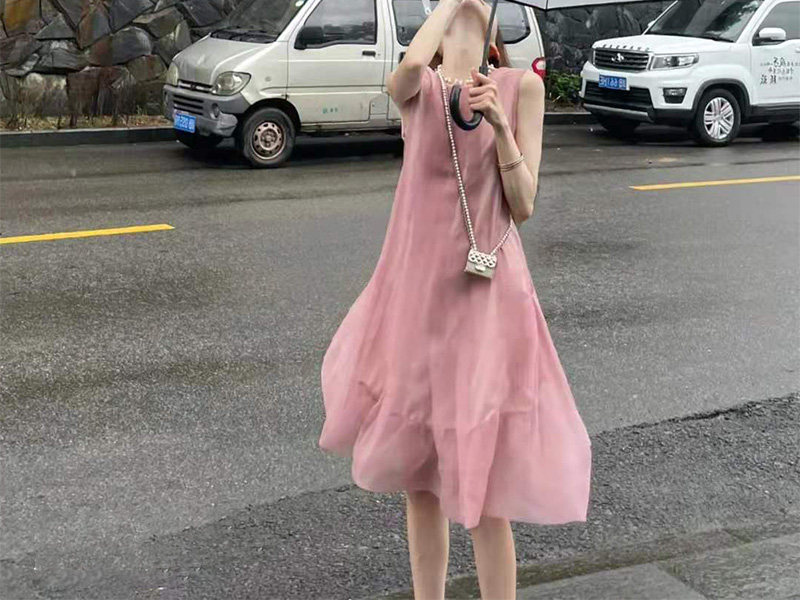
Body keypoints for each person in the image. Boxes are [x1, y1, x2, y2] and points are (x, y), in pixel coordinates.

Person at [318, 0, 593, 598]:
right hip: (418, 297)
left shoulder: (522, 88)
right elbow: (405, 73)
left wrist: (499, 126)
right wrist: (446, 7)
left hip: (487, 298)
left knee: (485, 486)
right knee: (421, 479)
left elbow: (524, 204)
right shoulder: (420, 89)